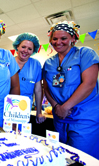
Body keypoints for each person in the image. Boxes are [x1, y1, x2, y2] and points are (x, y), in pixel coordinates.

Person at [42, 21, 99, 159]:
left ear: (73, 38)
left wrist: (66, 106)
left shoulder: (85, 53)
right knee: (62, 156)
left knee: (82, 157)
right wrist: (56, 106)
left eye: (63, 38)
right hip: (60, 117)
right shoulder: (49, 62)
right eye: (54, 39)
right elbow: (46, 87)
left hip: (84, 117)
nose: (58, 42)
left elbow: (89, 83)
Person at [13, 33, 46, 124]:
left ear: (33, 51)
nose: (26, 51)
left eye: (30, 49)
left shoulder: (36, 64)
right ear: (17, 47)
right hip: (7, 105)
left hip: (24, 108)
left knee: (20, 135)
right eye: (23, 47)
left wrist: (39, 112)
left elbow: (38, 90)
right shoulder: (9, 62)